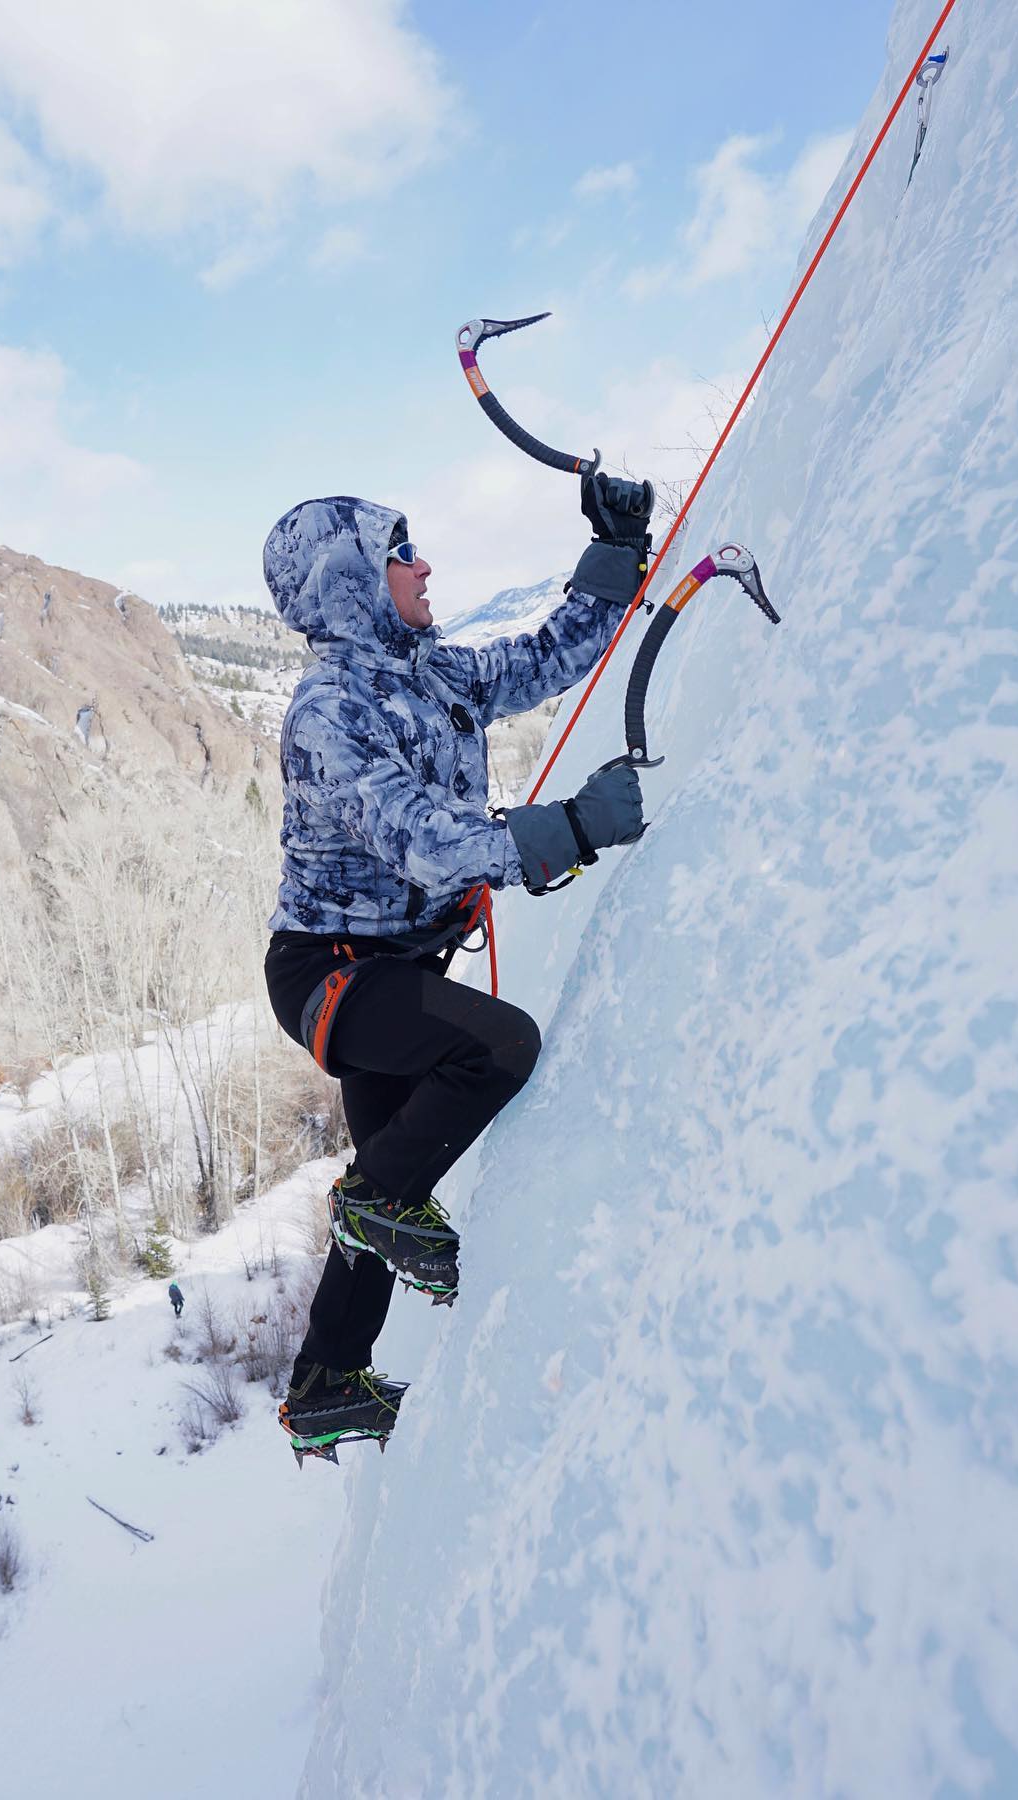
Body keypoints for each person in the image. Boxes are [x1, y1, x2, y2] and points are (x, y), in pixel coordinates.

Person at [263, 478, 656, 1461]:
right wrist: (565, 830)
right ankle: (376, 1207)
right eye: (403, 554)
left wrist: (616, 551)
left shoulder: (432, 676)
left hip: (390, 965)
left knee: (390, 1170)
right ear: (353, 581)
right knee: (496, 1050)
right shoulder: (329, 713)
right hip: (331, 976)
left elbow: (546, 659)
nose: (425, 565)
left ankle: (325, 1383)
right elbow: (425, 842)